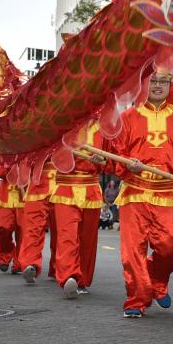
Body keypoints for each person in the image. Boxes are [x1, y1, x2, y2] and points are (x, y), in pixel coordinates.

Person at [110, 68, 173, 318]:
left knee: (171, 242)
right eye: (152, 80)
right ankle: (136, 299)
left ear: (170, 85)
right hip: (134, 192)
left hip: (166, 193)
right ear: (144, 83)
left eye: (162, 81)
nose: (157, 85)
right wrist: (126, 163)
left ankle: (157, 281)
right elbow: (115, 157)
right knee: (133, 251)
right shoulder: (128, 117)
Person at [50, 123, 107, 299]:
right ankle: (69, 276)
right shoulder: (61, 124)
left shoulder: (104, 127)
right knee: (68, 236)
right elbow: (49, 155)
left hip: (91, 188)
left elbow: (112, 161)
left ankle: (82, 279)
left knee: (87, 240)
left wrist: (102, 161)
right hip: (66, 186)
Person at [20, 161, 60, 283]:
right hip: (37, 183)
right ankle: (31, 265)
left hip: (63, 182)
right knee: (33, 229)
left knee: (61, 231)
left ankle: (58, 267)